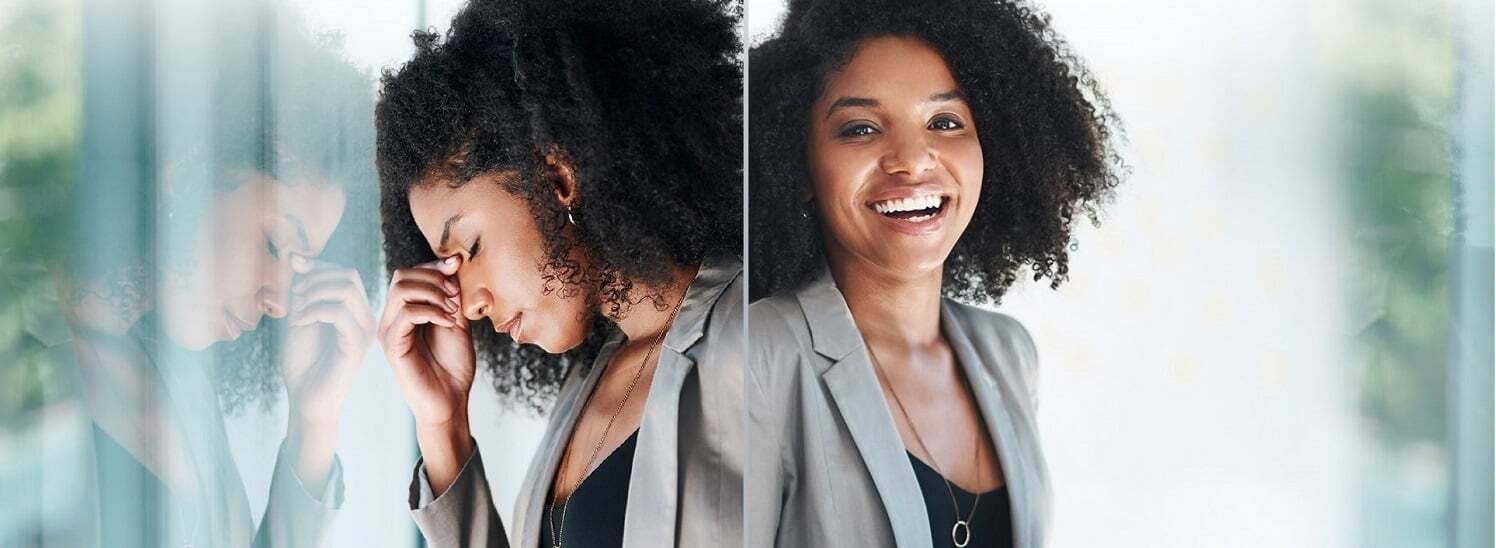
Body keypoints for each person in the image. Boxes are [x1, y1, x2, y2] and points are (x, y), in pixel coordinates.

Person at [746, 0, 1125, 546]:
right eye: (860, 129)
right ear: (796, 164)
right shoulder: (756, 357)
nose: (913, 159)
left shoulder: (1008, 354)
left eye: (945, 122)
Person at [374, 0, 743, 546]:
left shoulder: (763, 336)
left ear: (558, 179)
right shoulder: (589, 379)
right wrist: (443, 425)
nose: (468, 304)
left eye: (469, 247)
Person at [59, 1, 380, 545]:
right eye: (277, 242)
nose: (281, 302)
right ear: (188, 167)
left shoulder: (181, 381)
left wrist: (312, 418)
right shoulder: (24, 350)